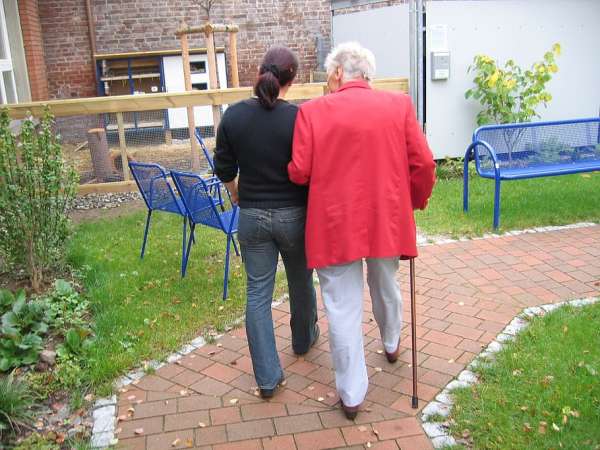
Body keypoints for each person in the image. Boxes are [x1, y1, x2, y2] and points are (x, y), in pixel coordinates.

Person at [288, 42, 436, 419]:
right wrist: (414, 201)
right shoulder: (398, 105)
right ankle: (391, 341)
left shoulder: (312, 111)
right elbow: (423, 163)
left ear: (338, 73)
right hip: (386, 218)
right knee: (386, 282)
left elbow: (300, 171)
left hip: (335, 223)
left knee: (341, 307)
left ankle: (352, 395)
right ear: (367, 74)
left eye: (328, 75)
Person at [214, 46, 319, 399]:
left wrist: (237, 194)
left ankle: (267, 378)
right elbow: (311, 168)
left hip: (253, 218)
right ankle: (303, 341)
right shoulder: (300, 117)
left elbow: (225, 169)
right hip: (295, 216)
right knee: (301, 280)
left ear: (259, 73)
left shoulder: (233, 116)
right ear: (293, 78)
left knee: (257, 294)